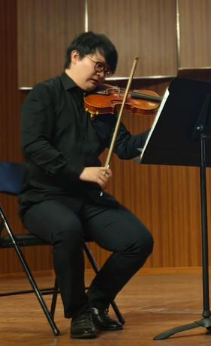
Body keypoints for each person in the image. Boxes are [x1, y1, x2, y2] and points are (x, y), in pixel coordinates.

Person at [19, 32, 154, 339]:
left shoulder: (102, 105)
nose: (102, 75)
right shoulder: (44, 94)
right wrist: (80, 171)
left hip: (88, 199)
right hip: (44, 198)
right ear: (76, 56)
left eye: (107, 71)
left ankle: (95, 304)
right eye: (99, 65)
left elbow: (125, 147)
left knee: (138, 240)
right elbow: (33, 146)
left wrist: (158, 128)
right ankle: (78, 312)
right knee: (68, 229)